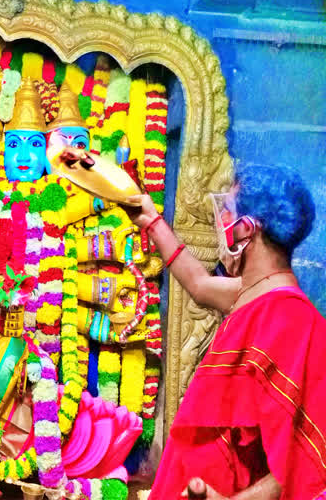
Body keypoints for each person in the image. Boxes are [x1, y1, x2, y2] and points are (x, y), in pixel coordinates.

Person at [124, 163, 326, 499]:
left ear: (246, 229)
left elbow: (295, 463)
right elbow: (199, 284)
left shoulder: (292, 320)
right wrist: (151, 220)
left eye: (228, 211)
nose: (222, 222)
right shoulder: (252, 295)